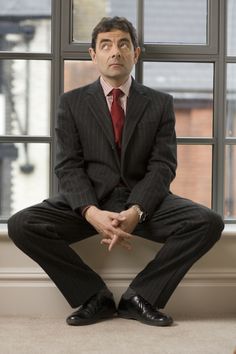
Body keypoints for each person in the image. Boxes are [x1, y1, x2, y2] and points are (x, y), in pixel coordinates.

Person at [8, 16, 224, 327]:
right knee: (21, 225)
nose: (115, 52)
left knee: (208, 222)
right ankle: (95, 296)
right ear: (93, 55)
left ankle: (140, 297)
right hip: (92, 200)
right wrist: (90, 212)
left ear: (136, 53)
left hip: (144, 203)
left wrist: (138, 210)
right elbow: (68, 165)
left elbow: (163, 165)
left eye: (123, 44)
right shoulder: (71, 103)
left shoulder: (160, 103)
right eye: (106, 45)